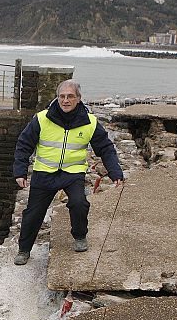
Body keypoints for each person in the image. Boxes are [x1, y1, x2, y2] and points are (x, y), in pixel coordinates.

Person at [13, 79, 124, 265]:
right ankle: (24, 250)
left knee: (79, 203)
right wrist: (20, 171)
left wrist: (115, 173)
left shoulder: (90, 122)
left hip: (72, 172)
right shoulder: (42, 119)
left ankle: (80, 236)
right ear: (57, 98)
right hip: (44, 172)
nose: (65, 100)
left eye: (70, 96)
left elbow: (105, 148)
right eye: (62, 96)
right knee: (33, 213)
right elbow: (24, 145)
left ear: (78, 99)